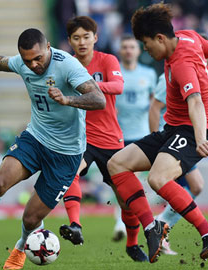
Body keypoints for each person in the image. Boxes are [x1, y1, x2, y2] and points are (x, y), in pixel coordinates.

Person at [0, 28, 106, 270]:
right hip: (35, 138)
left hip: (66, 154)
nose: (34, 65)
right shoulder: (22, 63)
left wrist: (68, 100)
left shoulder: (67, 65)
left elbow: (99, 99)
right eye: (27, 60)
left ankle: (20, 248)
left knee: (31, 218)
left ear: (48, 48)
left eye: (38, 58)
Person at [107, 3, 208, 263]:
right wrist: (207, 78)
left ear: (160, 38)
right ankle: (152, 227)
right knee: (116, 164)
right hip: (172, 129)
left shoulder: (182, 62)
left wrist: (200, 137)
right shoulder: (190, 36)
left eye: (147, 44)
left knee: (158, 178)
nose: (147, 51)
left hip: (191, 129)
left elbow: (194, 100)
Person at [58, 16, 148, 262]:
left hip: (110, 139)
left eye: (86, 37)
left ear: (95, 38)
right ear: (70, 41)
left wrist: (89, 86)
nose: (82, 42)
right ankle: (75, 225)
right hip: (81, 138)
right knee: (70, 173)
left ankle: (132, 244)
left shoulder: (107, 60)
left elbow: (118, 86)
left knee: (124, 200)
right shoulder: (67, 64)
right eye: (76, 38)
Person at [149, 73, 205, 255]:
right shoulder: (175, 74)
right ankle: (159, 228)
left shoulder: (196, 72)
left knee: (196, 186)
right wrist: (155, 142)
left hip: (182, 140)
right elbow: (155, 108)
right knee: (183, 185)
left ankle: (161, 225)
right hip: (170, 141)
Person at [112, 34, 156, 242]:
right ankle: (126, 222)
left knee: (141, 182)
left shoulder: (148, 74)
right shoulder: (114, 72)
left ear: (138, 51)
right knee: (121, 184)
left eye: (132, 47)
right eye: (125, 47)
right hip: (118, 136)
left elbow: (155, 103)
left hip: (142, 135)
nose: (128, 50)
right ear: (120, 50)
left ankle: (144, 222)